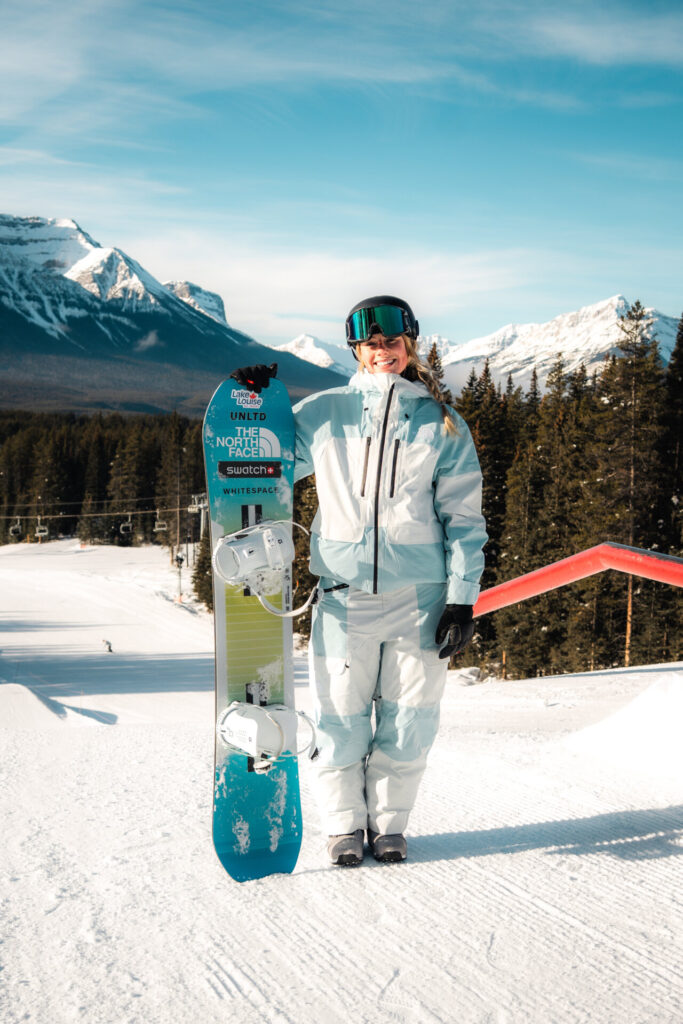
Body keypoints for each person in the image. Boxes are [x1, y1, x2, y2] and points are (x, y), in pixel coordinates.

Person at [231, 295, 486, 866]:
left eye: (392, 341)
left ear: (409, 346)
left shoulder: (443, 424)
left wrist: (462, 600)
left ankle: (390, 826)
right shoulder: (324, 413)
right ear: (356, 349)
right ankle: (344, 825)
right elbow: (269, 464)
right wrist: (253, 405)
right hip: (343, 598)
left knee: (410, 720)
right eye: (371, 344)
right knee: (340, 720)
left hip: (421, 599)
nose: (382, 352)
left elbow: (465, 520)